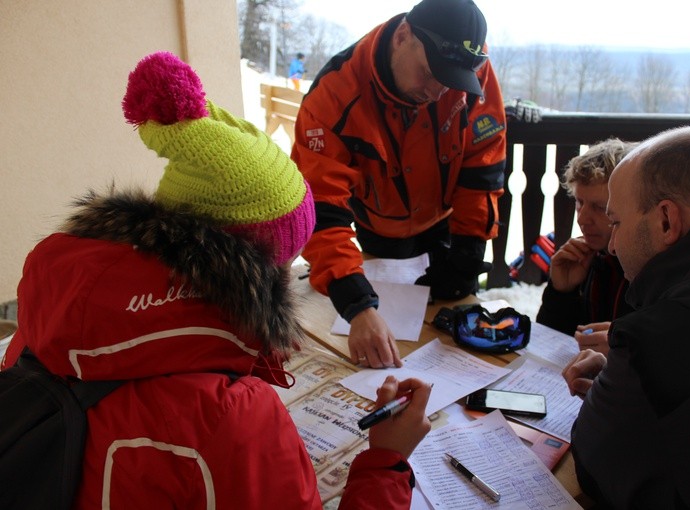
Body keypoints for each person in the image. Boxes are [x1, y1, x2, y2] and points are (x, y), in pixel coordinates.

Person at [1, 52, 432, 509]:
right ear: (252, 268)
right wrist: (386, 460)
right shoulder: (234, 415)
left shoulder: (42, 324)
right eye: (287, 260)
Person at [291, 0, 507, 369]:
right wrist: (356, 304)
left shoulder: (473, 70)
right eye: (429, 72)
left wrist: (469, 251)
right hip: (378, 232)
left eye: (450, 80)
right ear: (403, 36)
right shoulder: (333, 96)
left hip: (449, 230)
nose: (438, 91)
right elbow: (320, 211)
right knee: (390, 345)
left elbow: (482, 168)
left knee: (456, 354)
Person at [561, 126, 690, 508]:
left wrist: (619, 374)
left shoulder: (654, 337)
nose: (615, 243)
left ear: (667, 221)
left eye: (617, 222)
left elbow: (594, 465)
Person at [536, 139, 637, 353]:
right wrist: (561, 291)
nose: (582, 219)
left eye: (600, 207)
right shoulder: (589, 257)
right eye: (579, 202)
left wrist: (628, 345)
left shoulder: (648, 272)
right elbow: (553, 346)